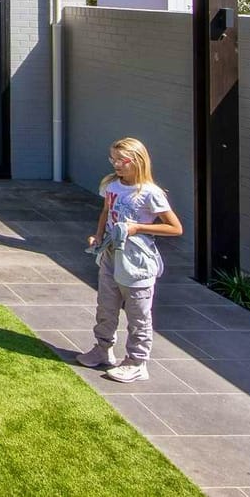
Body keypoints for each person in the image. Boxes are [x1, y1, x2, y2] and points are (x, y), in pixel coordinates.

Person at [77, 137, 183, 383]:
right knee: (106, 305)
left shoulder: (150, 193)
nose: (116, 164)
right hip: (111, 254)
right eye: (113, 159)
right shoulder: (111, 185)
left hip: (137, 261)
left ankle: (137, 361)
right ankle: (103, 349)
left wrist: (138, 228)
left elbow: (175, 228)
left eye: (121, 160)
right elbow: (106, 212)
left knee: (138, 312)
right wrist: (98, 236)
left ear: (137, 160)